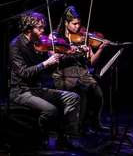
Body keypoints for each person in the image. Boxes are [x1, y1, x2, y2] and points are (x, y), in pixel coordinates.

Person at [9, 11, 84, 150]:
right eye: (40, 27)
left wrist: (60, 57)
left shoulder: (39, 43)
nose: (43, 31)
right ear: (29, 28)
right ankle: (40, 138)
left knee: (72, 98)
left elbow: (48, 71)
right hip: (20, 91)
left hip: (36, 89)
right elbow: (24, 73)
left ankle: (64, 138)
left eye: (43, 27)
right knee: (50, 110)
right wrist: (45, 63)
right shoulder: (16, 45)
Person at [49, 6, 110, 137]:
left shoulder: (82, 37)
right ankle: (79, 127)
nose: (78, 27)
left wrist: (100, 49)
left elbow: (91, 62)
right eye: (74, 24)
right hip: (63, 75)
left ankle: (94, 121)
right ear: (66, 23)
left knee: (97, 91)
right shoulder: (54, 36)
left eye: (79, 23)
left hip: (82, 73)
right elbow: (54, 58)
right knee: (82, 91)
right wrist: (70, 53)